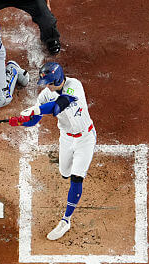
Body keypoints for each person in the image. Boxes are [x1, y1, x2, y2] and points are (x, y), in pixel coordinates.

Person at [9, 62, 95, 240]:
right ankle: (70, 174)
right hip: (66, 137)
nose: (46, 86)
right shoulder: (45, 96)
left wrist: (36, 109)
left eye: (49, 83)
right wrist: (20, 121)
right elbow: (34, 120)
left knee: (76, 178)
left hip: (85, 139)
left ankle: (66, 220)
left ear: (57, 79)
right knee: (64, 173)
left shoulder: (74, 86)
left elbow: (60, 105)